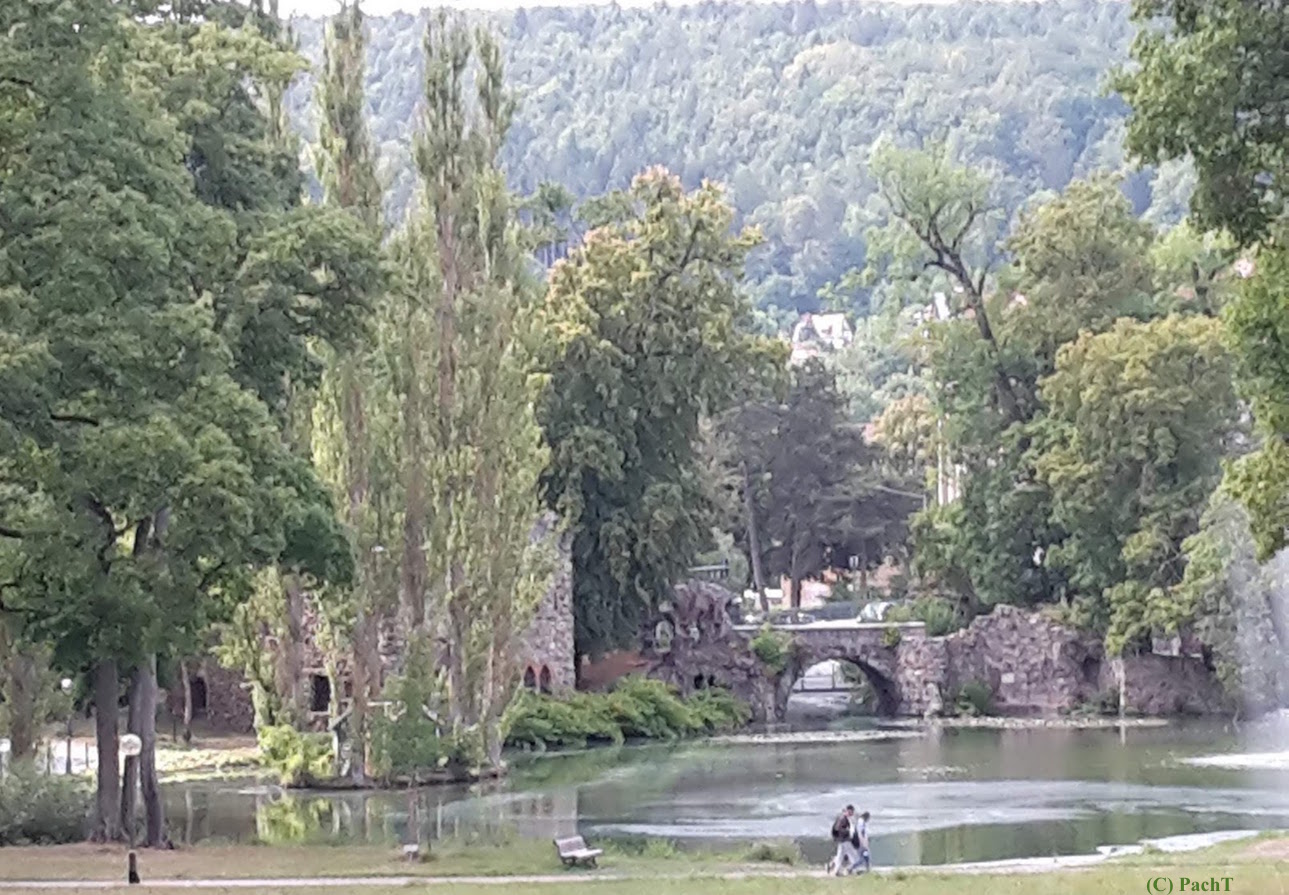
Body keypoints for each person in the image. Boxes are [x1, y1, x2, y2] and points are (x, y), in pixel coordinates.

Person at [828, 805, 858, 876]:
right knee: (853, 855)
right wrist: (848, 831)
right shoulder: (843, 818)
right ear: (848, 811)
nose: (852, 813)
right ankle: (854, 869)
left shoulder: (844, 818)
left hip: (842, 840)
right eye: (851, 812)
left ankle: (837, 871)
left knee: (840, 856)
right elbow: (838, 828)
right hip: (845, 840)